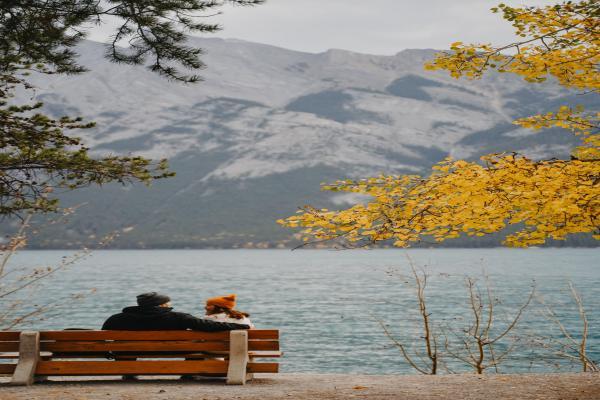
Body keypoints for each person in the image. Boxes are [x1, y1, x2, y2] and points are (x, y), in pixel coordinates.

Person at [102, 292, 249, 331]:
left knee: (127, 347)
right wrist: (241, 326)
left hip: (130, 351)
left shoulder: (117, 319)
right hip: (174, 351)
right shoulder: (179, 317)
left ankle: (128, 372)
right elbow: (209, 326)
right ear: (163, 305)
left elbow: (103, 338)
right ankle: (188, 374)